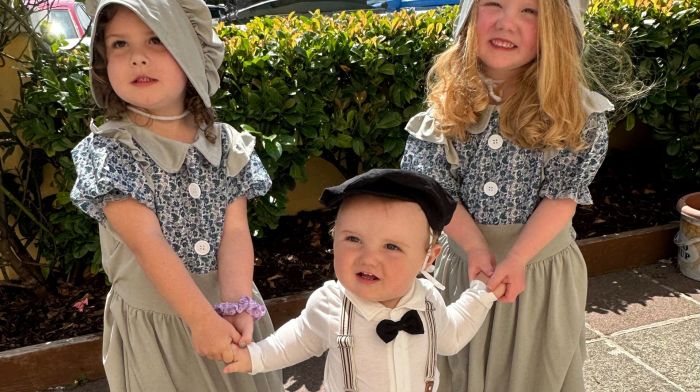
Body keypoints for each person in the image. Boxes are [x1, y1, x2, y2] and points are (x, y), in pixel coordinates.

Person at [400, 0, 616, 390]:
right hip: (464, 267)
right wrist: (476, 247)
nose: (506, 23)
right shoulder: (450, 104)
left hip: (539, 271)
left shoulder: (571, 112)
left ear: (556, 29)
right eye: (493, 4)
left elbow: (561, 197)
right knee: (462, 365)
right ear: (469, 16)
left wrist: (516, 258)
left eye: (529, 12)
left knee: (533, 370)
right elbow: (438, 191)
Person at [69, 0, 283, 390]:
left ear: (189, 50)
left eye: (156, 40)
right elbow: (146, 242)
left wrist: (235, 306)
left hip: (228, 312)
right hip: (161, 328)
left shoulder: (224, 144)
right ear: (102, 62)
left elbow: (235, 231)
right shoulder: (112, 152)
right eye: (120, 45)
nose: (137, 58)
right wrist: (201, 320)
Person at [222, 169, 506, 392]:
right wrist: (254, 357)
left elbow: (451, 336)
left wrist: (482, 294)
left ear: (428, 258)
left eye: (391, 247)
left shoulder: (428, 301)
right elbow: (296, 339)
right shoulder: (332, 303)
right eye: (353, 239)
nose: (369, 258)